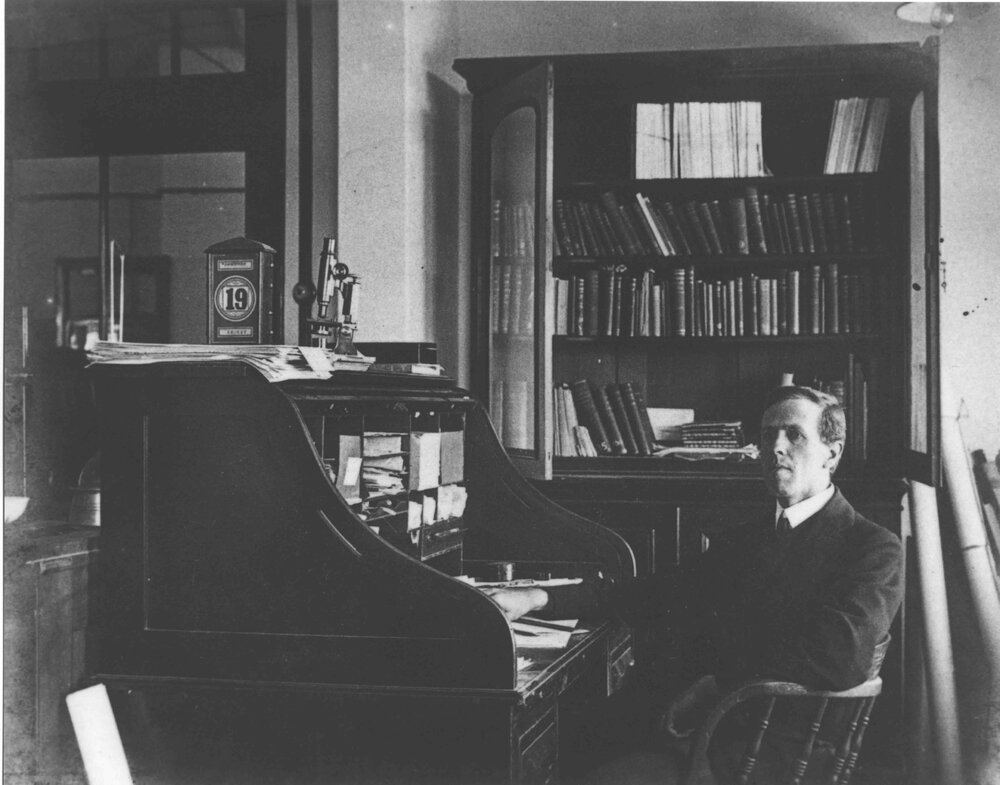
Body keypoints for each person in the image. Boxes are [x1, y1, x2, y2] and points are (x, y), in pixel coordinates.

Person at [486, 385, 904, 784]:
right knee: (555, 739)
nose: (776, 447)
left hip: (768, 751)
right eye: (767, 435)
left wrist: (716, 684)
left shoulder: (871, 547)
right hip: (708, 723)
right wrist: (538, 597)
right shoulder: (747, 539)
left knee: (560, 753)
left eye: (794, 434)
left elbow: (838, 654)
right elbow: (655, 592)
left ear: (832, 452)